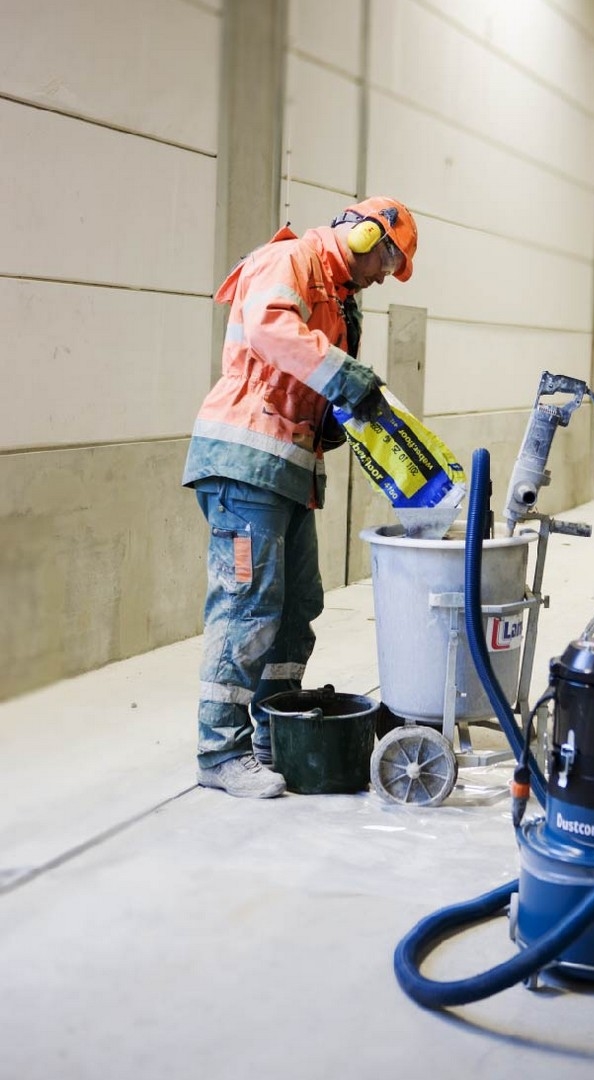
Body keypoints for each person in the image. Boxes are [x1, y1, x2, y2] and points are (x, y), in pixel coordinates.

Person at [182, 196, 418, 798]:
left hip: (287, 469)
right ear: (367, 236)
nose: (383, 276)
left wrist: (333, 414)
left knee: (297, 607)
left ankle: (270, 733)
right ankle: (220, 750)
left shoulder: (341, 299)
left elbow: (305, 375)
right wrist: (344, 377)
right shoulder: (288, 260)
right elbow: (271, 329)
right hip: (244, 461)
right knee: (247, 605)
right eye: (387, 262)